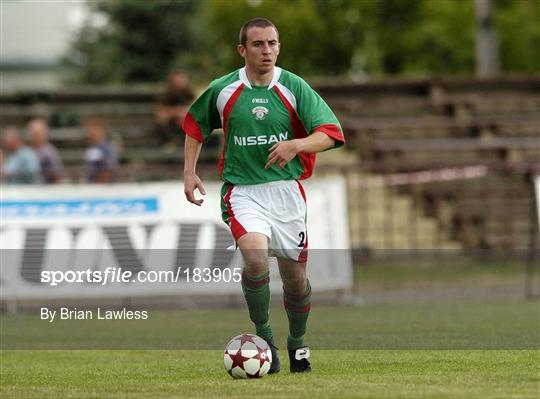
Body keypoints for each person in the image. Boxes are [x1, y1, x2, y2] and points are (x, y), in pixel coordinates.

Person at [182, 18, 344, 374]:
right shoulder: (223, 89)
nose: (266, 50)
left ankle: (298, 344)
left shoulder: (293, 86)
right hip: (243, 191)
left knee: (295, 280)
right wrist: (190, 170)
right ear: (243, 50)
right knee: (255, 261)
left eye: (272, 43)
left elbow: (331, 133)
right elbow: (196, 125)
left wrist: (297, 144)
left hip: (286, 193)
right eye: (258, 44)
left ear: (279, 47)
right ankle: (264, 339)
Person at [155, 69, 195, 145]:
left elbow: (193, 110)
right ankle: (168, 143)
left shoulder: (189, 93)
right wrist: (178, 113)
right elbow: (160, 112)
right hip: (171, 123)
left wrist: (175, 113)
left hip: (185, 123)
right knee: (162, 120)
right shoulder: (165, 94)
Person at [27, 118, 63, 183]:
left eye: (37, 133)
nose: (35, 136)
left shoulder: (50, 152)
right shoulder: (27, 151)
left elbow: (56, 174)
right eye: (33, 133)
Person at [84, 118, 118, 183]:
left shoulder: (107, 148)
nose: (90, 133)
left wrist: (99, 187)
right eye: (88, 130)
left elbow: (108, 170)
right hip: (92, 187)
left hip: (103, 188)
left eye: (93, 130)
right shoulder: (91, 148)